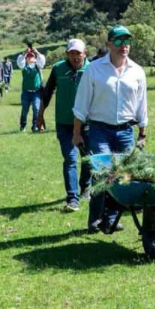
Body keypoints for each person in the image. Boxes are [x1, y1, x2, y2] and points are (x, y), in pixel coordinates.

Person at [72, 26, 148, 233]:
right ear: (109, 44)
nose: (124, 45)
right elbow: (81, 104)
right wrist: (77, 133)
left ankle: (111, 218)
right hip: (99, 130)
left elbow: (142, 104)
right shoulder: (94, 69)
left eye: (127, 41)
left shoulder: (137, 71)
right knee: (101, 174)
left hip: (125, 131)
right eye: (119, 41)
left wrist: (142, 133)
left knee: (123, 176)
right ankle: (95, 219)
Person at [37, 39, 89, 212]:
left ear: (85, 53)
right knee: (70, 159)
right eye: (72, 53)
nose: (75, 57)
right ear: (67, 54)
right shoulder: (58, 68)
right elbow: (48, 92)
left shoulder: (92, 69)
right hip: (65, 123)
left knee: (88, 159)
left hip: (88, 123)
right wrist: (40, 115)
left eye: (78, 53)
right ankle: (72, 198)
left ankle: (86, 188)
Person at [17, 47, 45, 132]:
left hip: (36, 92)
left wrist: (36, 52)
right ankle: (23, 126)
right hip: (26, 92)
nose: (30, 58)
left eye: (32, 56)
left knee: (36, 109)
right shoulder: (23, 66)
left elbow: (42, 60)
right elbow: (19, 61)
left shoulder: (38, 66)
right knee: (25, 110)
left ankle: (35, 126)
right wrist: (25, 52)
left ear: (35, 58)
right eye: (28, 56)